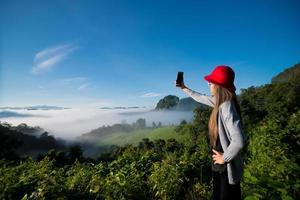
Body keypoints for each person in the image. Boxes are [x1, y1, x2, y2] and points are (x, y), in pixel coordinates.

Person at [175, 65, 245, 200]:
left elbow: (239, 140)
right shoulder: (220, 102)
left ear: (219, 85)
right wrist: (184, 87)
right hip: (220, 165)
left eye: (211, 81)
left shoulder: (226, 106)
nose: (208, 83)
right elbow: (200, 97)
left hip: (225, 167)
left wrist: (224, 158)